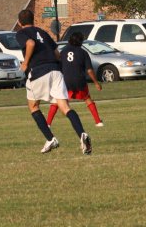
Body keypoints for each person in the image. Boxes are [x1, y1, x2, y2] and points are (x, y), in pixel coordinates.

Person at [15, 9, 92, 154]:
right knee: (65, 107)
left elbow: (30, 43)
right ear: (33, 20)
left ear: (19, 23)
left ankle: (50, 139)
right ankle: (82, 134)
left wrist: (25, 63)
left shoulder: (21, 33)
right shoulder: (43, 32)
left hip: (38, 71)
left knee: (33, 106)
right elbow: (57, 54)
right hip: (55, 70)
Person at [47, 31, 104, 128]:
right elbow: (89, 70)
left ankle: (48, 123)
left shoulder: (63, 51)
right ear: (80, 41)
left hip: (65, 81)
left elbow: (58, 66)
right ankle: (98, 122)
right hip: (79, 80)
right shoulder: (83, 52)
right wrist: (96, 83)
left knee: (57, 101)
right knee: (87, 99)